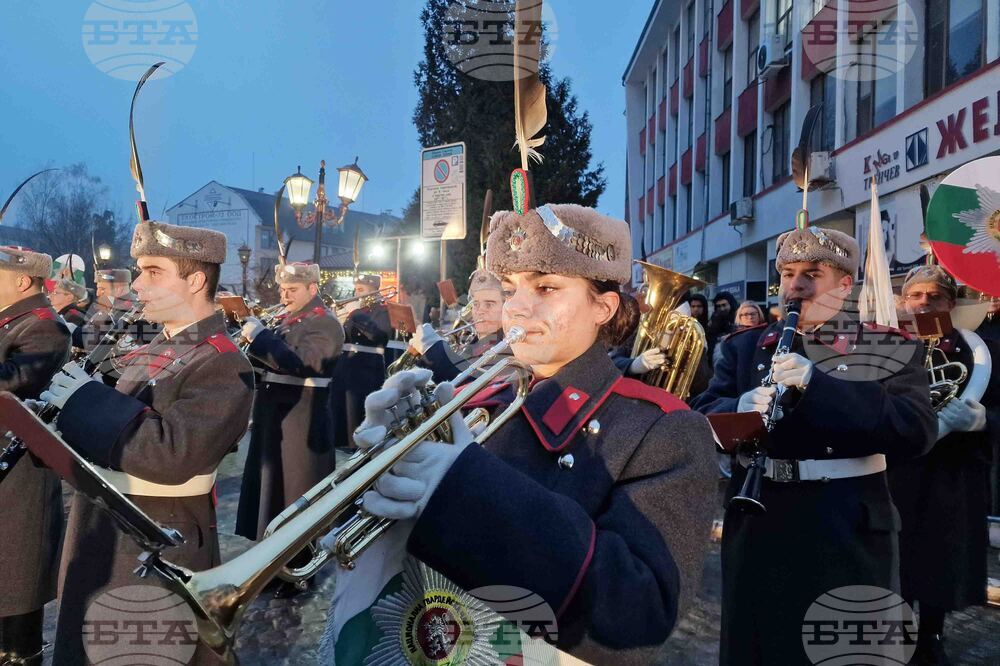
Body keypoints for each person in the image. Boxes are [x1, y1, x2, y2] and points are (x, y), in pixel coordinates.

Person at [340, 203, 718, 663]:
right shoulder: (483, 398)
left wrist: (463, 490)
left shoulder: (663, 430)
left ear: (603, 306)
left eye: (546, 287)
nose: (517, 306)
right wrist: (372, 476)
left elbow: (637, 617)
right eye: (510, 288)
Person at [690, 225, 936, 665]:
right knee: (756, 648)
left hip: (845, 525)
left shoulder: (885, 346)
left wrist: (817, 385)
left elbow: (915, 430)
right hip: (759, 521)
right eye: (787, 273)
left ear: (844, 284)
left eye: (812, 273)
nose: (795, 286)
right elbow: (700, 415)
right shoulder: (746, 347)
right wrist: (737, 408)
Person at [42, 221, 255, 665]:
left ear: (196, 280)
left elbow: (171, 454)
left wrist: (83, 402)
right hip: (109, 533)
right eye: (139, 270)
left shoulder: (222, 362)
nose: (137, 283)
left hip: (153, 547)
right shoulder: (163, 343)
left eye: (153, 271)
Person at [888, 265, 999, 665]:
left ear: (951, 303)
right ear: (903, 302)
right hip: (898, 467)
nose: (924, 303)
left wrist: (983, 420)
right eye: (916, 296)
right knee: (896, 555)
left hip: (952, 471)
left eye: (934, 297)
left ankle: (932, 635)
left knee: (941, 556)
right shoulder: (887, 346)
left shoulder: (981, 350)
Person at [235, 261, 344, 598]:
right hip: (274, 417)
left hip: (301, 419)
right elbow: (270, 360)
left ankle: (298, 571)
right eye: (283, 289)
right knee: (272, 492)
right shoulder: (287, 320)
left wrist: (261, 338)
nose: (284, 296)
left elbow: (302, 363)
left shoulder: (326, 324)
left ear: (313, 289)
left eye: (292, 290)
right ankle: (272, 567)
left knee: (296, 494)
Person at [0, 246, 69, 665]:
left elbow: (16, 379)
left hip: (19, 478)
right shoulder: (13, 322)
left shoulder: (45, 327)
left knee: (14, 590)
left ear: (22, 281)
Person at [329, 274, 393, 449]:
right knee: (340, 411)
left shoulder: (384, 310)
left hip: (365, 369)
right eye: (356, 289)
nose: (357, 294)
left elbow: (379, 335)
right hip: (345, 368)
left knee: (356, 411)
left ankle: (357, 446)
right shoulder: (356, 311)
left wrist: (354, 314)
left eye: (361, 290)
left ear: (374, 290)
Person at [409, 267, 506, 383]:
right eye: (475, 304)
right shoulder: (470, 340)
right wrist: (423, 356)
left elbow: (477, 384)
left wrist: (434, 350)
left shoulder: (507, 347)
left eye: (489, 305)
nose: (479, 311)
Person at [706, 291, 738, 362]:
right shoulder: (714, 320)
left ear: (731, 304)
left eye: (724, 305)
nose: (722, 309)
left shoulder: (739, 318)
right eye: (719, 306)